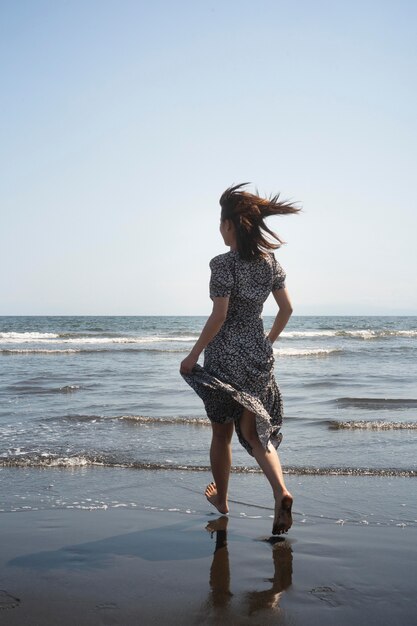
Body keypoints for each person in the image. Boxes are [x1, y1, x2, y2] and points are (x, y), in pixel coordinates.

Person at [180, 183, 299, 535]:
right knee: (254, 432)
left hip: (224, 359)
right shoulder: (270, 263)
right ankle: (281, 491)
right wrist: (267, 342)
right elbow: (287, 309)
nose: (219, 229)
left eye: (220, 222)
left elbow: (219, 315)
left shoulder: (222, 264)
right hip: (256, 358)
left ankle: (222, 500)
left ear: (230, 225)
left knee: (222, 433)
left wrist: (193, 354)